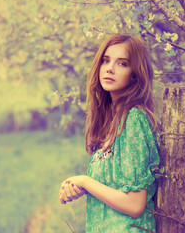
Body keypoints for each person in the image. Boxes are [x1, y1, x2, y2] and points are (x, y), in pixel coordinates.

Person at [59, 34, 160, 233]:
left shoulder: (134, 120)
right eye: (106, 60)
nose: (110, 68)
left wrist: (85, 181)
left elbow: (134, 204)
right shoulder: (111, 123)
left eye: (122, 63)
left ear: (135, 74)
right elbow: (112, 190)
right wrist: (77, 185)